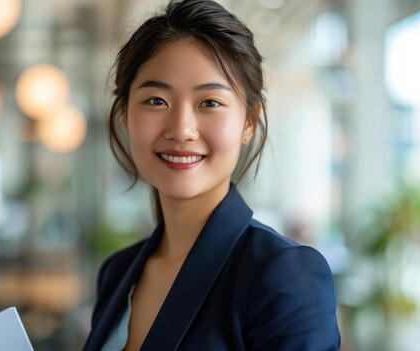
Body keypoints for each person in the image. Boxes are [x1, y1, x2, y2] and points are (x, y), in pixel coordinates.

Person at [82, 0, 341, 350]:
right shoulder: (116, 274)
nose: (182, 129)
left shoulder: (283, 275)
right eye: (156, 101)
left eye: (210, 103)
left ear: (248, 121)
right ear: (126, 114)